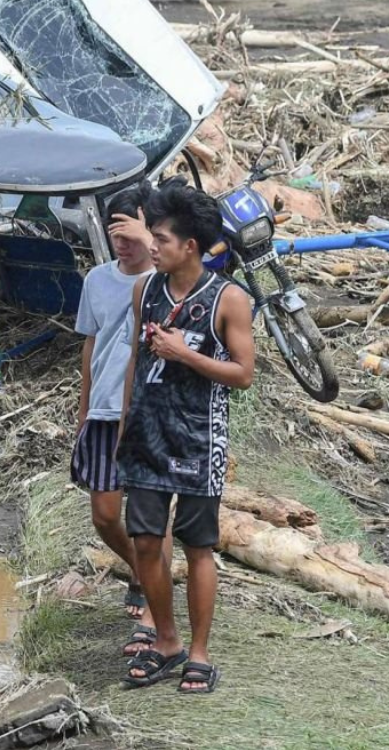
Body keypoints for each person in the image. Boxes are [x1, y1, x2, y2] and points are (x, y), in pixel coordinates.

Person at [116, 181, 255, 695]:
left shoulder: (229, 299)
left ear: (189, 247)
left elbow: (243, 374)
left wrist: (187, 355)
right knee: (147, 542)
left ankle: (199, 652)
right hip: (147, 436)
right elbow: (137, 358)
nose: (151, 246)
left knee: (198, 546)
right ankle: (167, 641)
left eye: (161, 238)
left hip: (199, 439)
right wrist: (124, 426)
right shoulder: (144, 291)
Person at [73, 184, 169, 657]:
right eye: (115, 234)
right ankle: (141, 569)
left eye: (129, 232)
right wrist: (84, 408)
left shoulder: (166, 279)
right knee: (106, 516)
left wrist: (149, 242)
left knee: (152, 520)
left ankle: (154, 611)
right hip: (105, 410)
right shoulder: (97, 281)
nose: (121, 243)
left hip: (150, 413)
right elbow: (91, 346)